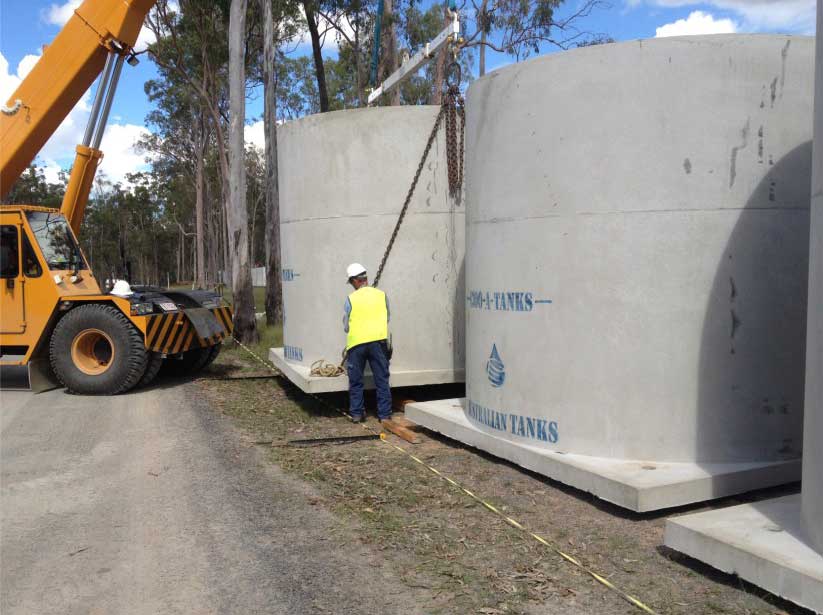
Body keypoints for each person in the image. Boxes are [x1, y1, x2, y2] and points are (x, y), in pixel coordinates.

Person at [343, 263, 392, 423]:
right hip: (378, 342)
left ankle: (357, 414)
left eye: (351, 282)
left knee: (356, 380)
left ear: (355, 281)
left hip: (356, 345)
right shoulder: (382, 295)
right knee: (381, 379)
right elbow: (387, 317)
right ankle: (384, 416)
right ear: (365, 278)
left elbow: (346, 326)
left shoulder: (350, 299)